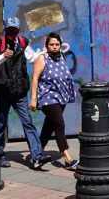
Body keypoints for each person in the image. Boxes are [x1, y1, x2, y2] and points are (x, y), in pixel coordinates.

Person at [0, 17, 47, 170]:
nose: (12, 33)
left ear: (19, 30)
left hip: (19, 92)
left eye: (15, 30)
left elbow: (33, 57)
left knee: (28, 123)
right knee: (0, 125)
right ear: (5, 30)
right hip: (3, 92)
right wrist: (3, 56)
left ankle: (37, 155)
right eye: (10, 30)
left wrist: (46, 52)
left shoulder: (24, 42)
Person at [29, 33, 79, 170]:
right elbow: (35, 78)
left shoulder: (61, 56)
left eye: (57, 44)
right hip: (47, 98)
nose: (55, 47)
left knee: (48, 127)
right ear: (46, 45)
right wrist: (33, 99)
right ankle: (67, 159)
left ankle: (36, 156)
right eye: (52, 44)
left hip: (61, 97)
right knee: (59, 124)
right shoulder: (42, 58)